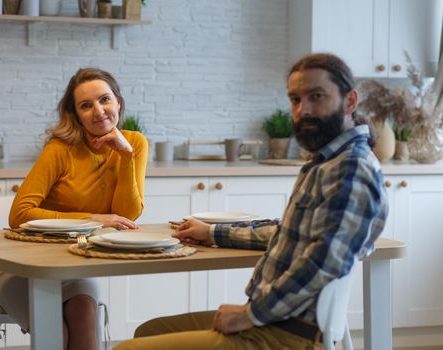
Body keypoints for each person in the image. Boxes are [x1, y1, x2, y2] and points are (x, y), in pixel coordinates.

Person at [114, 53, 388, 350]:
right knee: (149, 331)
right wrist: (214, 233)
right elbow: (289, 233)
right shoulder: (327, 162)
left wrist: (250, 315)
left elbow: (322, 263)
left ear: (350, 101)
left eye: (316, 96)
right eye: (295, 99)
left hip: (288, 336)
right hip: (276, 322)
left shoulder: (350, 169)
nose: (302, 110)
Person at [0, 67, 148, 350]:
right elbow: (20, 214)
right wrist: (94, 218)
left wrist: (126, 157)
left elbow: (126, 214)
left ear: (118, 103)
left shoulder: (134, 144)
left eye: (104, 100)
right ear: (76, 114)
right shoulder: (60, 148)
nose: (98, 111)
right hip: (23, 266)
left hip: (74, 264)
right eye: (86, 106)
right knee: (57, 335)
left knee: (85, 321)